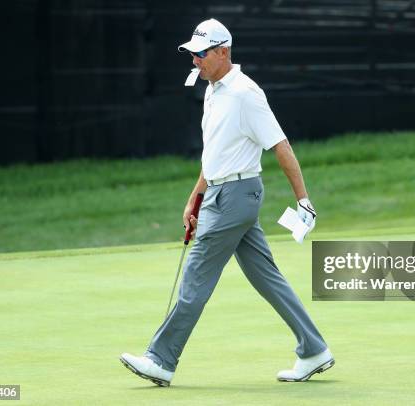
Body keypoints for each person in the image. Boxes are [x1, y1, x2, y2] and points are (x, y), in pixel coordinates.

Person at [120, 18, 333, 387]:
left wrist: (303, 200)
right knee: (267, 278)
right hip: (220, 193)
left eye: (201, 54)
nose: (195, 61)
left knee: (196, 278)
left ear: (223, 52)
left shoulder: (246, 93)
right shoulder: (213, 90)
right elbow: (214, 154)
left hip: (237, 196)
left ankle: (161, 359)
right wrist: (195, 197)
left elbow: (280, 146)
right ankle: (314, 349)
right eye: (192, 55)